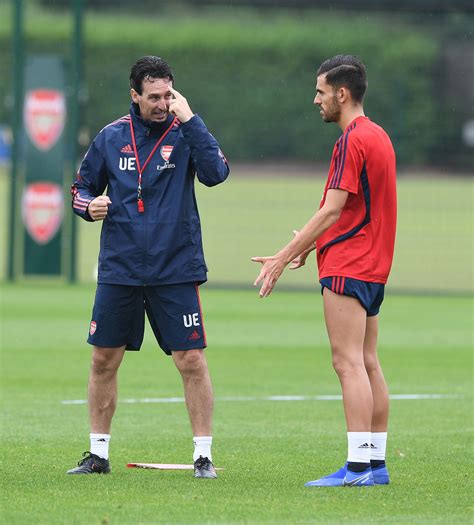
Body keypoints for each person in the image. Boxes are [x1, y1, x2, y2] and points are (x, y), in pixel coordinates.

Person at [68, 56, 229, 478]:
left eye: (168, 95)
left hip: (175, 267)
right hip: (120, 268)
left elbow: (217, 173)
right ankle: (98, 454)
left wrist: (191, 119)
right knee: (103, 359)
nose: (162, 104)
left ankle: (203, 456)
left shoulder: (187, 132)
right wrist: (90, 205)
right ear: (134, 95)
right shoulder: (111, 137)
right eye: (154, 96)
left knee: (190, 359)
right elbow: (80, 188)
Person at [252, 55, 396, 487]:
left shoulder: (352, 139)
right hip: (372, 266)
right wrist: (309, 245)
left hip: (348, 266)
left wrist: (282, 255)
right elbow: (355, 210)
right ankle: (375, 464)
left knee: (347, 362)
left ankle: (356, 469)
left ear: (342, 93)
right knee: (367, 361)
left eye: (320, 92)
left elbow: (333, 209)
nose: (315, 100)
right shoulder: (379, 136)